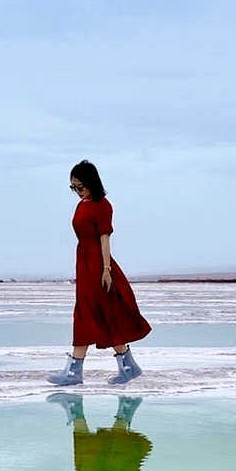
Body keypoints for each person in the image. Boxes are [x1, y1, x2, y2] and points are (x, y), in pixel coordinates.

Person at [46, 160, 151, 387]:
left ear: (91, 183)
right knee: (97, 314)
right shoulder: (82, 204)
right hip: (84, 262)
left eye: (79, 187)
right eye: (72, 187)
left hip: (96, 265)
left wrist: (106, 270)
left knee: (92, 313)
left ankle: (75, 371)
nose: (76, 191)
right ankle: (127, 366)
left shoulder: (103, 205)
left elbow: (104, 238)